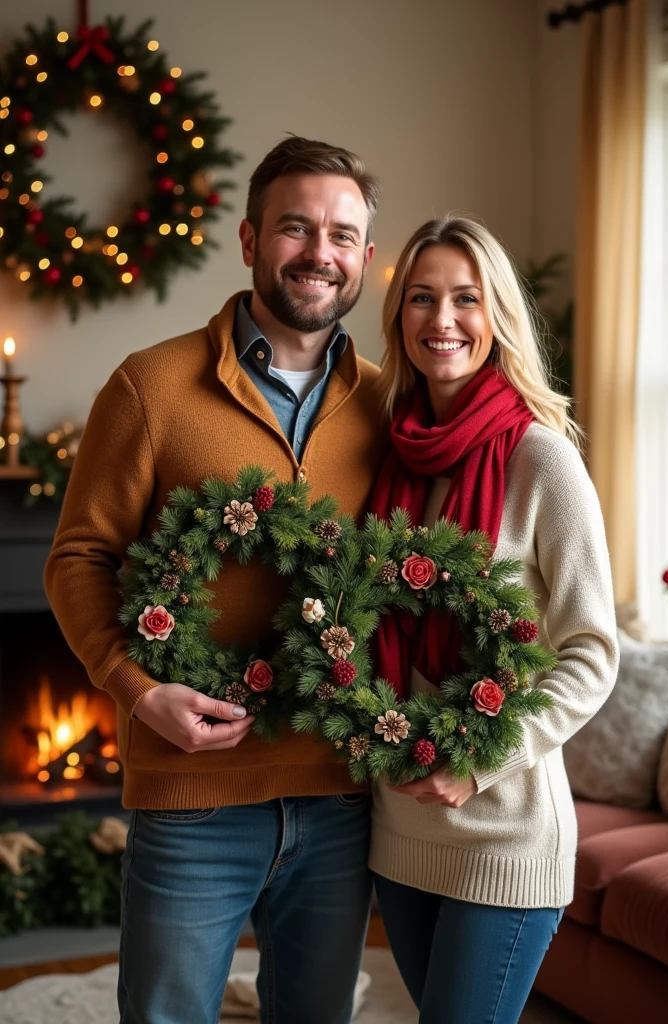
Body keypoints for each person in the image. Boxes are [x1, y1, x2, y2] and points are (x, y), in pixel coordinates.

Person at [44, 136, 386, 1024]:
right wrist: (135, 689)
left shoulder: (394, 405)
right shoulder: (150, 388)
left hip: (341, 798)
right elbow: (80, 557)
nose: (320, 252)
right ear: (248, 239)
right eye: (295, 228)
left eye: (342, 235)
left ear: (366, 259)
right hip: (193, 800)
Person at [368, 216, 619, 1024]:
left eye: (465, 299)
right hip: (399, 831)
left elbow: (591, 653)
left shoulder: (541, 458)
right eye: (422, 298)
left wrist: (476, 764)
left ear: (496, 315)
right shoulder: (388, 455)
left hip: (503, 834)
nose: (442, 320)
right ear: (399, 316)